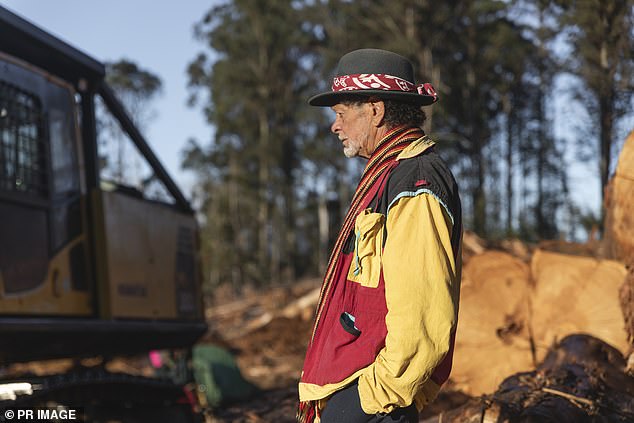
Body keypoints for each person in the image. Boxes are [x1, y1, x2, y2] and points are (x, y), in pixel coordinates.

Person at [297, 49, 462, 423]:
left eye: (340, 114)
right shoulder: (389, 174)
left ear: (375, 111)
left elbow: (423, 315)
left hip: (376, 402)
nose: (334, 127)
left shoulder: (415, 181)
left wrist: (368, 399)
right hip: (363, 391)